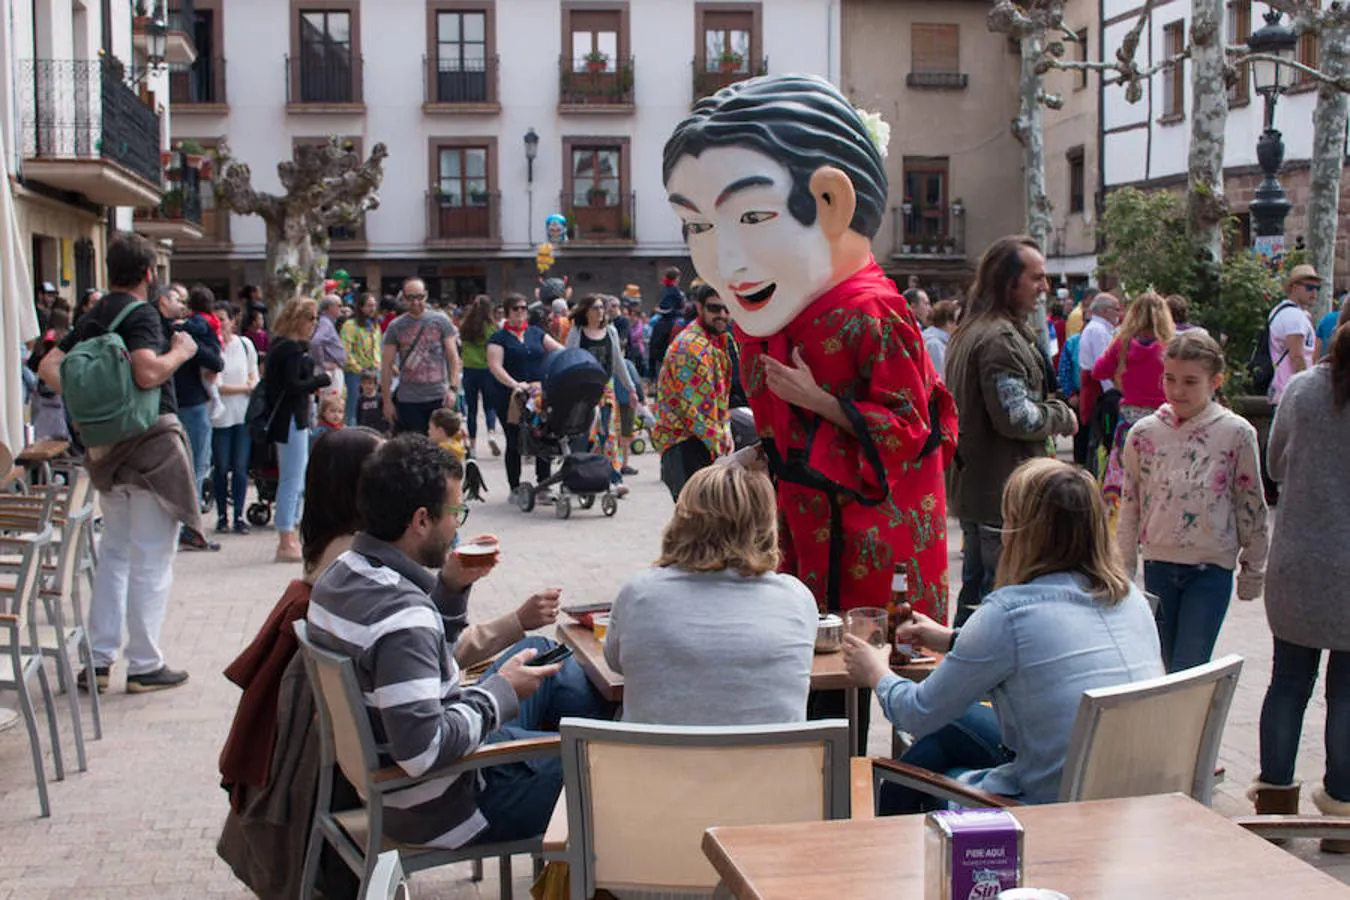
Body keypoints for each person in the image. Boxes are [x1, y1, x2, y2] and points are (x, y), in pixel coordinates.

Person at [664, 75, 957, 756]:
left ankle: (870, 785)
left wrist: (817, 401)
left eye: (751, 216)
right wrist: (755, 454)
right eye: (698, 225)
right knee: (810, 665)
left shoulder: (872, 308)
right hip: (799, 516)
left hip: (867, 525)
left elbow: (910, 428)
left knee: (867, 663)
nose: (720, 256)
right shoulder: (765, 307)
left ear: (831, 201)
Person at [307, 435, 611, 848]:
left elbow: (411, 667)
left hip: (424, 778)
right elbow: (421, 751)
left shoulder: (342, 575)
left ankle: (573, 773)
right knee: (610, 766)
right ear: (420, 520)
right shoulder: (403, 617)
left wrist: (449, 589)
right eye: (455, 512)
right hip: (452, 805)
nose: (457, 525)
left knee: (541, 655)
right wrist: (498, 692)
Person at [842, 458, 1163, 813]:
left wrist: (875, 671)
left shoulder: (1009, 614)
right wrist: (951, 639)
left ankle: (890, 836)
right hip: (1133, 795)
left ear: (1022, 533)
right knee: (944, 734)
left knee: (931, 748)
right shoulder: (1131, 599)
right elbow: (1042, 648)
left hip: (1055, 806)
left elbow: (916, 712)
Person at [39, 231, 200, 694]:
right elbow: (148, 370)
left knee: (113, 555)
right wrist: (181, 352)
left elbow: (51, 365)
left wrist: (98, 402)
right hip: (150, 451)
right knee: (151, 558)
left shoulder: (93, 316)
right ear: (150, 274)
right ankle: (146, 663)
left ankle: (100, 659)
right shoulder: (144, 315)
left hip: (106, 454)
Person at [605, 465, 817, 725]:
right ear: (766, 525)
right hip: (771, 764)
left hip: (656, 764)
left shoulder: (638, 593)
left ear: (682, 520)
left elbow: (615, 663)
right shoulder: (796, 598)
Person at [1249, 323, 1350, 850]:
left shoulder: (1304, 388)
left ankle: (1275, 808)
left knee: (1287, 684)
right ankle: (1343, 817)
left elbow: (1273, 462)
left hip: (1299, 563)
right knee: (1348, 693)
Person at [944, 236, 1077, 626]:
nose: (1044, 287)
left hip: (984, 491)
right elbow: (1017, 418)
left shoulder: (973, 330)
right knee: (996, 604)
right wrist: (1061, 415)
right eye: (1036, 278)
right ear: (1008, 282)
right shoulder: (998, 340)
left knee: (977, 598)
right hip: (1002, 494)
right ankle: (977, 685)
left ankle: (963, 681)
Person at [1118, 332, 1268, 673]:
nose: (1177, 390)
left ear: (1215, 381)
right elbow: (1130, 502)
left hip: (1210, 568)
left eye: (1190, 381)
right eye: (1170, 379)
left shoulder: (1237, 433)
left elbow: (1251, 502)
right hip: (1157, 564)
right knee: (1168, 667)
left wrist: (1253, 569)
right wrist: (1123, 569)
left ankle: (1191, 727)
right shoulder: (1143, 434)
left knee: (1190, 667)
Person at [1091, 290, 1174, 530]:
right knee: (1161, 477)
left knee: (1125, 477)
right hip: (1164, 420)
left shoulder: (1123, 345)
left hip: (1129, 422)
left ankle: (1123, 526)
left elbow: (1098, 371)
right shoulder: (1170, 346)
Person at [264, 297, 332, 563]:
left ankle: (289, 534)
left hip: (290, 418)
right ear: (299, 319)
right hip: (291, 418)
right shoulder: (290, 348)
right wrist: (319, 379)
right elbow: (293, 385)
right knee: (292, 480)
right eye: (311, 318)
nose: (314, 324)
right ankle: (285, 537)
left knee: (294, 477)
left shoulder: (283, 346)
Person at [652, 283, 734, 500]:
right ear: (700, 308)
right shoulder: (691, 348)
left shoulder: (715, 341)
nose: (722, 315)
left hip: (700, 443)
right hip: (686, 446)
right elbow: (699, 414)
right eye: (715, 308)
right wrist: (725, 450)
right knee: (697, 527)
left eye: (727, 308)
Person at [487, 294, 565, 498]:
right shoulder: (498, 339)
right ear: (507, 312)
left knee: (544, 436)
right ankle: (514, 487)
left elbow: (559, 351)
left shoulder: (536, 333)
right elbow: (495, 367)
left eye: (524, 308)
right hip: (511, 397)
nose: (521, 312)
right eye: (516, 309)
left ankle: (543, 485)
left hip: (539, 395)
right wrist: (515, 385)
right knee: (514, 440)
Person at [567, 294, 637, 497]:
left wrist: (631, 388)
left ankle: (614, 478)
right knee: (583, 435)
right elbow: (569, 358)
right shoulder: (577, 332)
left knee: (608, 434)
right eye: (596, 308)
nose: (600, 312)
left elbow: (618, 363)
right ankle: (580, 477)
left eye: (602, 308)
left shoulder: (611, 332)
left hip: (606, 389)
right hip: (583, 390)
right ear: (586, 311)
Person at [173, 285, 225, 548]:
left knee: (188, 466)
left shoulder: (177, 328)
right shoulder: (202, 327)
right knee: (197, 466)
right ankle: (192, 528)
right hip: (193, 402)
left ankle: (188, 526)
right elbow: (216, 361)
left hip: (179, 401)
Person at [380, 277, 460, 435]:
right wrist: (387, 401)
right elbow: (387, 365)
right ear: (403, 297)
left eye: (419, 297)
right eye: (410, 298)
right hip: (408, 400)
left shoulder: (441, 321)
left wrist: (453, 388)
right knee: (414, 449)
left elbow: (453, 357)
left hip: (439, 397)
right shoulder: (395, 326)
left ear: (426, 295)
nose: (415, 302)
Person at [210, 303, 260, 535]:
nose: (220, 323)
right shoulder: (212, 347)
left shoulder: (245, 345)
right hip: (220, 417)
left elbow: (254, 375)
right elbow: (216, 385)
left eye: (223, 319)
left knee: (240, 468)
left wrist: (250, 386)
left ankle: (239, 515)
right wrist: (244, 388)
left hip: (243, 416)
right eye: (216, 319)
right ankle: (221, 515)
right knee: (221, 468)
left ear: (232, 321)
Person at [1269, 265, 1320, 408]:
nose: (1314, 293)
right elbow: (1297, 356)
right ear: (1294, 287)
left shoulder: (1281, 311)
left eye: (1317, 288)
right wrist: (1307, 388)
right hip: (1292, 393)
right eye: (1309, 287)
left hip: (1284, 391)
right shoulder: (1294, 316)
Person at [457, 294, 502, 456]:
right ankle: (490, 433)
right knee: (489, 405)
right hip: (487, 370)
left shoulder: (464, 325)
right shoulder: (491, 327)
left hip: (469, 370)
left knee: (471, 409)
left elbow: (460, 345)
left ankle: (473, 447)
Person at [1077, 291, 1123, 438]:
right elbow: (1103, 368)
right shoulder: (1098, 331)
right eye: (1116, 309)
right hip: (1099, 391)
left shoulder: (1098, 328)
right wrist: (1113, 397)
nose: (1119, 313)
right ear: (1104, 311)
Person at [339, 293, 382, 426]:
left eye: (374, 305)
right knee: (353, 407)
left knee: (372, 408)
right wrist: (359, 368)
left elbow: (378, 348)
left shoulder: (375, 326)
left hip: (373, 371)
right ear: (361, 307)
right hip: (355, 373)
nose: (373, 308)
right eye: (369, 305)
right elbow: (345, 350)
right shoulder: (350, 325)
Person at [647, 266, 686, 375]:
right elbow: (669, 308)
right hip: (671, 319)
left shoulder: (665, 289)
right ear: (676, 278)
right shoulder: (674, 290)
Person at [922, 299, 960, 381]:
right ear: (948, 322)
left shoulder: (941, 342)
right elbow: (940, 378)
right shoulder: (934, 345)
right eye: (957, 321)